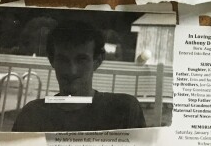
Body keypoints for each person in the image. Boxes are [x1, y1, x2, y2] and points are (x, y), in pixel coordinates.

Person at [11, 20, 146, 132]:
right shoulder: (33, 115)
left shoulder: (123, 110)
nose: (72, 71)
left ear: (97, 61)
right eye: (63, 59)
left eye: (81, 59)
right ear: (52, 60)